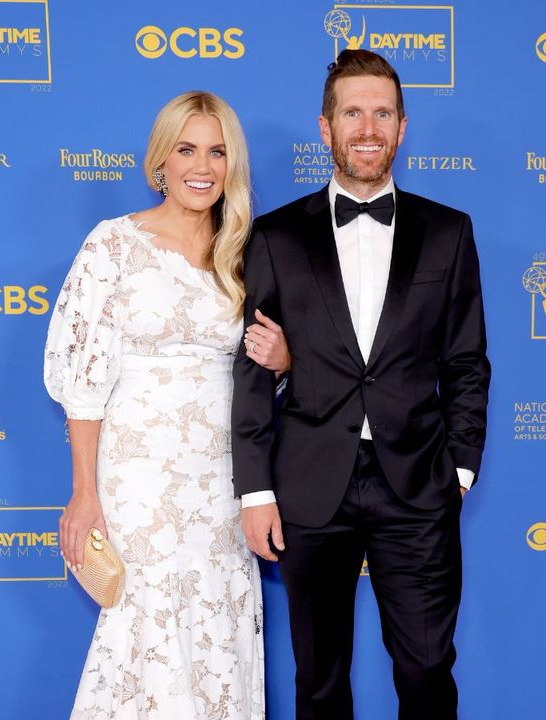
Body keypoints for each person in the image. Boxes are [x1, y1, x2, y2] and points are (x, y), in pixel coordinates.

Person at [232, 50, 490, 720]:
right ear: (326, 128)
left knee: (428, 668)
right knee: (319, 678)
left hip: (419, 483)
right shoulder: (277, 237)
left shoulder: (450, 233)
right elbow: (255, 371)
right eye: (353, 112)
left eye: (382, 112)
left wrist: (458, 472)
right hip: (311, 483)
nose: (367, 127)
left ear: (402, 127)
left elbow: (466, 362)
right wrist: (257, 491)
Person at [44, 90, 287, 719]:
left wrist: (284, 362)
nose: (201, 165)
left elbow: (267, 378)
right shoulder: (113, 245)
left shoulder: (247, 253)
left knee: (215, 630)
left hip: (223, 475)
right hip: (139, 474)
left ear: (232, 164)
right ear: (162, 161)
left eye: (217, 150)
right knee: (144, 623)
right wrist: (84, 492)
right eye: (186, 149)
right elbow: (83, 379)